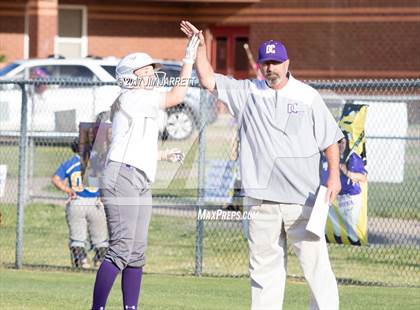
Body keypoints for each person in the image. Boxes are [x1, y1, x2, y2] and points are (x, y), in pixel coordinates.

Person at [180, 21, 343, 310]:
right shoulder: (247, 93)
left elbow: (330, 140)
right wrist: (201, 50)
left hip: (302, 201)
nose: (271, 68)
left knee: (317, 270)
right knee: (264, 274)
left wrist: (333, 177)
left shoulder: (308, 96)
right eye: (266, 62)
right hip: (260, 203)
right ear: (260, 65)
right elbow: (207, 80)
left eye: (276, 62)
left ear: (287, 62)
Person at [90, 34, 200, 310]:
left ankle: (130, 308)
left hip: (138, 178)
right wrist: (188, 58)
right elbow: (177, 96)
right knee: (121, 248)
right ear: (130, 76)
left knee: (136, 253)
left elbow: (133, 144)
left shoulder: (141, 100)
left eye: (153, 70)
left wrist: (162, 154)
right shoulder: (132, 97)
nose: (153, 74)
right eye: (147, 70)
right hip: (121, 177)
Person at [51, 137, 109, 269]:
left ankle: (81, 261)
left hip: (77, 201)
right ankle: (100, 261)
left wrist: (67, 190)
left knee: (77, 236)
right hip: (96, 203)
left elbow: (55, 179)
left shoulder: (70, 163)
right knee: (100, 237)